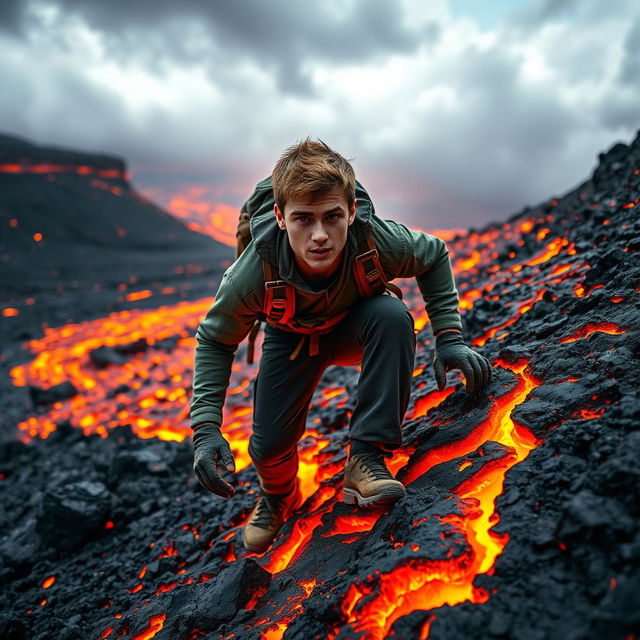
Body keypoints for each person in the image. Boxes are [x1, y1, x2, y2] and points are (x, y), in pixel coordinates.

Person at [189, 139, 492, 553]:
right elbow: (215, 339)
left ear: (351, 211)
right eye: (302, 219)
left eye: (332, 217)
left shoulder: (377, 240)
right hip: (289, 336)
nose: (319, 235)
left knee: (392, 316)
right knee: (268, 448)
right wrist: (206, 429)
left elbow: (434, 255)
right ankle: (279, 496)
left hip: (357, 323)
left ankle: (366, 460)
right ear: (279, 217)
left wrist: (451, 340)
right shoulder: (250, 276)